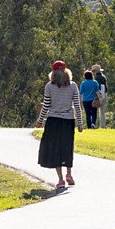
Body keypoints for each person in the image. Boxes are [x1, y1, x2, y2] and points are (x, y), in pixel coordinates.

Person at [35, 60, 82, 188]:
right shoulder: (72, 86)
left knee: (55, 148)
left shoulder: (49, 86)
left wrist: (40, 121)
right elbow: (77, 105)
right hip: (68, 120)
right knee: (67, 146)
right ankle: (69, 173)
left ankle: (61, 179)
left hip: (53, 120)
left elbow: (46, 106)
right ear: (65, 71)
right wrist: (80, 123)